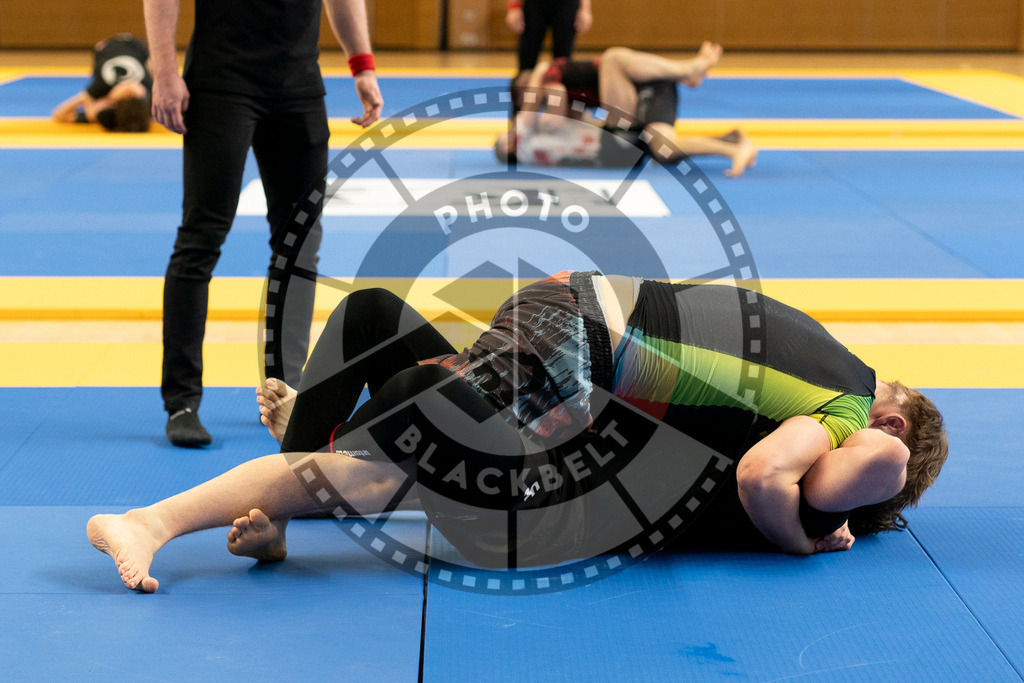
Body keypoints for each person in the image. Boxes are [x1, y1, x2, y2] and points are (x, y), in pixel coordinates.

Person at [88, 272, 948, 592]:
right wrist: (814, 534)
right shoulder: (827, 424)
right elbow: (787, 473)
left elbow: (844, 466)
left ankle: (286, 473)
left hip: (570, 338)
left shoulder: (833, 423)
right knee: (400, 444)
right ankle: (184, 512)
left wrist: (856, 483)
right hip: (575, 365)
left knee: (376, 329)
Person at [147, 0, 384, 448]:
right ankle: (182, 401)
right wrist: (164, 71)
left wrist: (362, 64)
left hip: (297, 84)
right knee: (201, 237)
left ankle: (282, 393)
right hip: (222, 82)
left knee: (299, 246)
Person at [496, 43, 758, 176]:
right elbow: (580, 124)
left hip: (640, 90)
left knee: (612, 58)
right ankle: (733, 142)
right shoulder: (566, 101)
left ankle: (687, 70)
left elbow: (538, 119)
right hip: (647, 91)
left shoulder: (547, 76)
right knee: (663, 147)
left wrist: (516, 133)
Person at [51, 34, 153, 132]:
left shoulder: (100, 89)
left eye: (127, 93)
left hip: (106, 47)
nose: (129, 87)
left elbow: (59, 114)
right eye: (134, 93)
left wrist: (86, 99)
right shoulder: (150, 91)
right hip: (138, 47)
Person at [505, 0, 593, 74]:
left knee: (562, 60)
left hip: (566, 5)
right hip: (534, 5)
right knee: (528, 59)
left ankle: (559, 92)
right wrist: (514, 6)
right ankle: (525, 92)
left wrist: (585, 8)